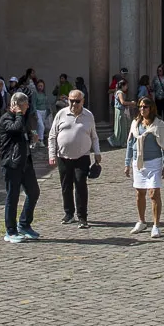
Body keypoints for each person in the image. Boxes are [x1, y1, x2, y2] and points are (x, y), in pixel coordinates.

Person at [47, 87, 100, 228]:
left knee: (81, 184)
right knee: (66, 186)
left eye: (77, 101)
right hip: (63, 156)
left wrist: (97, 153)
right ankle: (69, 214)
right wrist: (52, 155)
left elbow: (94, 136)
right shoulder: (61, 114)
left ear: (83, 101)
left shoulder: (88, 116)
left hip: (82, 156)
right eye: (71, 101)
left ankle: (82, 217)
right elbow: (52, 136)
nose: (74, 104)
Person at [125, 96, 164, 238]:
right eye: (140, 106)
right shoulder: (135, 123)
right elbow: (130, 144)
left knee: (154, 193)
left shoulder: (159, 124)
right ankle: (142, 221)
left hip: (154, 162)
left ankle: (156, 225)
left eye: (145, 107)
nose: (142, 109)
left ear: (151, 108)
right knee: (140, 193)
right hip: (139, 163)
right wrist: (127, 163)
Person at [0, 91, 41, 243]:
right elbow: (15, 129)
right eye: (25, 104)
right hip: (12, 163)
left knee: (34, 192)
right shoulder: (6, 119)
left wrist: (32, 137)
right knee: (13, 196)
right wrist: (18, 114)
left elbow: (23, 135)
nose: (28, 106)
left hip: (25, 162)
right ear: (16, 105)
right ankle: (10, 231)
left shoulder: (22, 118)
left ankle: (24, 224)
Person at [110, 78, 132, 148]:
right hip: (120, 111)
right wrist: (131, 103)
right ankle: (121, 142)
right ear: (122, 86)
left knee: (121, 126)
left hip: (119, 110)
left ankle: (120, 141)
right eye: (126, 86)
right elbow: (123, 102)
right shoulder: (120, 92)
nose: (127, 87)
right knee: (122, 127)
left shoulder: (118, 92)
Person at [32, 78, 52, 143]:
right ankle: (41, 140)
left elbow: (46, 103)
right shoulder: (35, 93)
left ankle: (36, 140)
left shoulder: (44, 94)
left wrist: (48, 111)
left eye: (41, 86)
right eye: (39, 86)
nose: (40, 87)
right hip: (38, 111)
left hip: (44, 111)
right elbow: (33, 104)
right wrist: (35, 113)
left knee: (39, 127)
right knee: (41, 126)